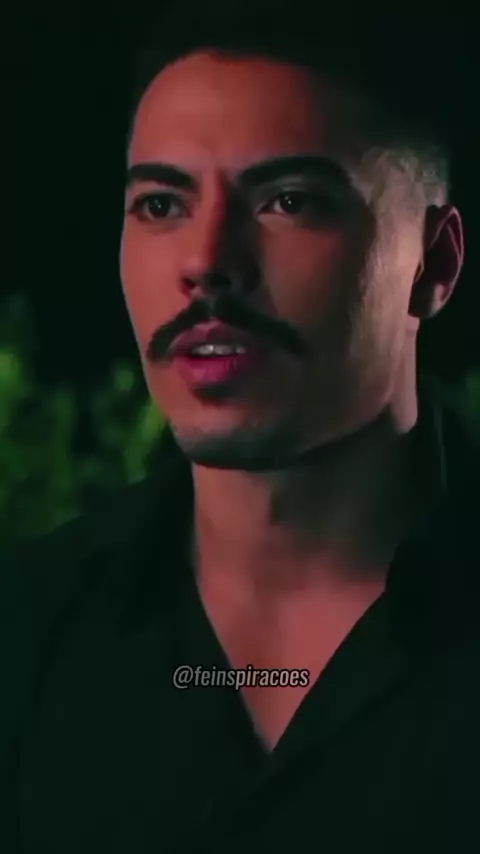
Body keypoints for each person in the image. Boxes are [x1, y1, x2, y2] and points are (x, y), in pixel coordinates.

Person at [1, 3, 479, 851]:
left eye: (288, 201)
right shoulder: (25, 631)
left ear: (433, 263)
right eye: (160, 204)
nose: (206, 262)